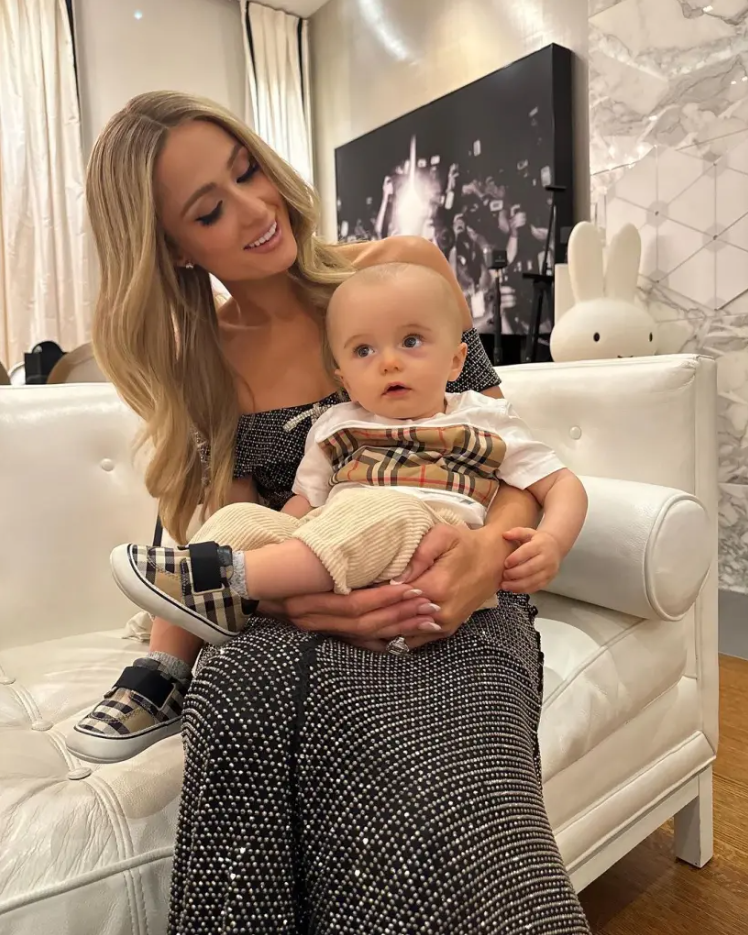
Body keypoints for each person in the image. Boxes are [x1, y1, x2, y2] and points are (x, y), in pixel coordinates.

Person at [69, 90, 592, 933]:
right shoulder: (204, 358)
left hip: (449, 585)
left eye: (247, 171)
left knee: (435, 776)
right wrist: (302, 601)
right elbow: (243, 528)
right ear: (170, 248)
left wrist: (490, 555)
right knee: (235, 691)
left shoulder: (400, 270)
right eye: (209, 210)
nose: (255, 209)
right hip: (298, 596)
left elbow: (502, 450)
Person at [108, 261, 587, 651]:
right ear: (344, 379)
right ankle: (164, 666)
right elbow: (305, 503)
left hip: (431, 547)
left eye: (412, 342)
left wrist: (552, 542)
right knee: (239, 518)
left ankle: (226, 579)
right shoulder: (337, 425)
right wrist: (269, 534)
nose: (389, 362)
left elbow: (560, 484)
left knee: (383, 509)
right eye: (363, 351)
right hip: (335, 549)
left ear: (456, 361)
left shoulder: (484, 418)